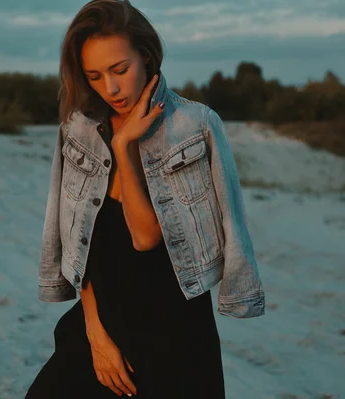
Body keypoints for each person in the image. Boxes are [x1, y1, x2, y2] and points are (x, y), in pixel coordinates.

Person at [26, 1, 265, 397]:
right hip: (99, 323)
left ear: (147, 56)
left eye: (120, 70)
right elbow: (76, 242)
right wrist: (96, 336)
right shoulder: (78, 129)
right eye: (95, 76)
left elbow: (145, 238)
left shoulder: (196, 125)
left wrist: (124, 147)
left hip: (176, 332)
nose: (111, 88)